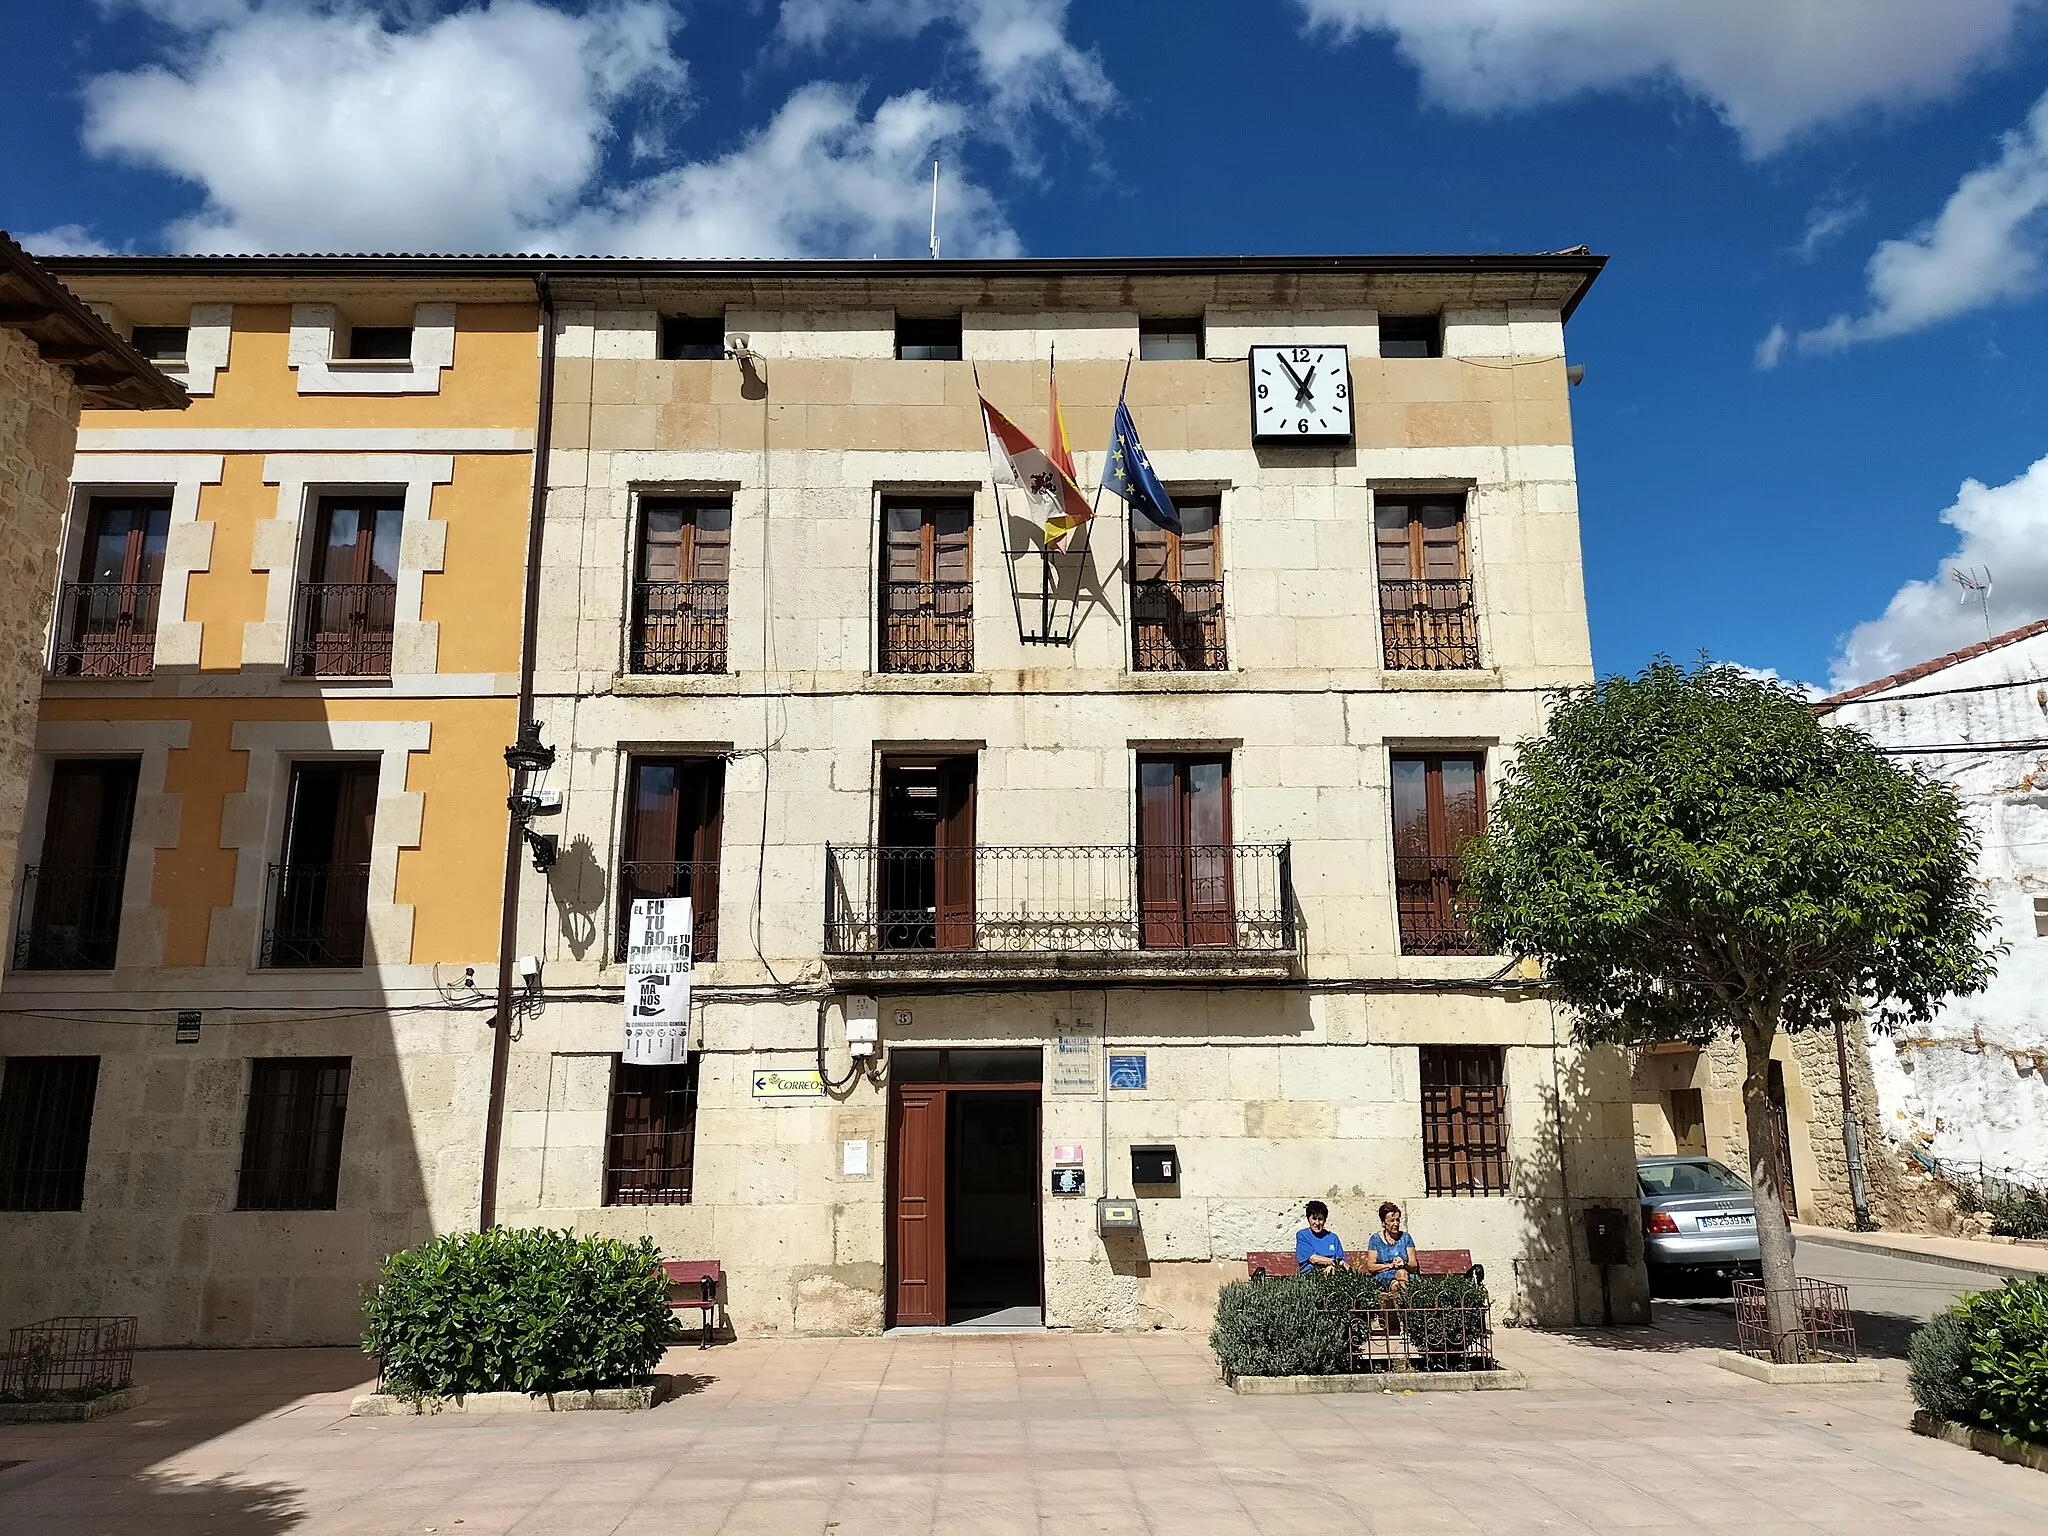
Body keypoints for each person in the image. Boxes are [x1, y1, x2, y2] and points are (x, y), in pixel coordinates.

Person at [1363, 1201, 1418, 1291]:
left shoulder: (1406, 1237)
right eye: (1392, 1221)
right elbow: (1371, 1266)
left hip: (1407, 1274)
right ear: (1384, 1223)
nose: (1396, 1224)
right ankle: (1407, 1301)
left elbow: (1413, 1264)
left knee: (1400, 1277)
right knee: (1398, 1278)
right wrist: (1391, 1265)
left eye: (1397, 1220)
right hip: (1385, 1276)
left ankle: (1402, 1300)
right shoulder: (1375, 1239)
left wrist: (1403, 1264)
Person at [1295, 1200, 1346, 1274]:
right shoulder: (1303, 1235)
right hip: (1312, 1275)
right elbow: (1313, 1259)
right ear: (1308, 1219)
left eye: (1320, 1219)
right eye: (1314, 1219)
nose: (1317, 1223)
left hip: (1334, 1273)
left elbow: (1342, 1261)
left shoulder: (1333, 1238)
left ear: (1325, 1220)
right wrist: (1333, 1263)